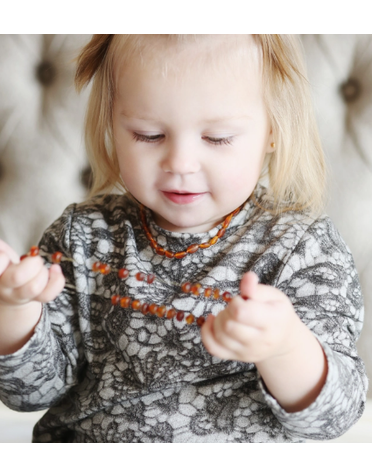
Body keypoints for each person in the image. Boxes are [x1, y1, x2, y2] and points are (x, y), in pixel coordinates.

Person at [0, 34, 368, 443]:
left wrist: (283, 347)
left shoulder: (301, 248)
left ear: (272, 131)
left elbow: (335, 416)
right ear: (112, 124)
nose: (180, 163)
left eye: (217, 138)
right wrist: (14, 311)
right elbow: (29, 392)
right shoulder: (83, 236)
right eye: (148, 134)